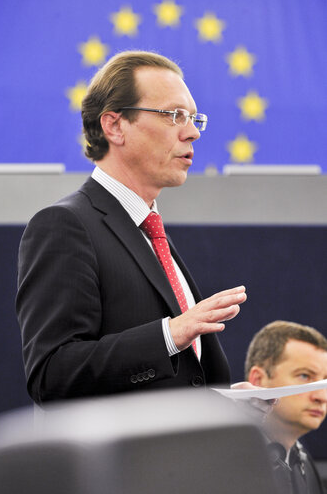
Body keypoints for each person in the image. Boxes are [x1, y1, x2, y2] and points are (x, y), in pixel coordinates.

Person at [16, 50, 248, 405]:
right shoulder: (64, 226)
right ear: (115, 126)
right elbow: (52, 374)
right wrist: (169, 334)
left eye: (194, 118)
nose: (192, 133)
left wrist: (228, 404)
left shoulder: (150, 231)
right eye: (174, 116)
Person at [245, 320, 327, 494]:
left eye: (325, 382)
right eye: (305, 376)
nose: (321, 396)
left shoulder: (303, 461)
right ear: (258, 381)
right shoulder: (223, 460)